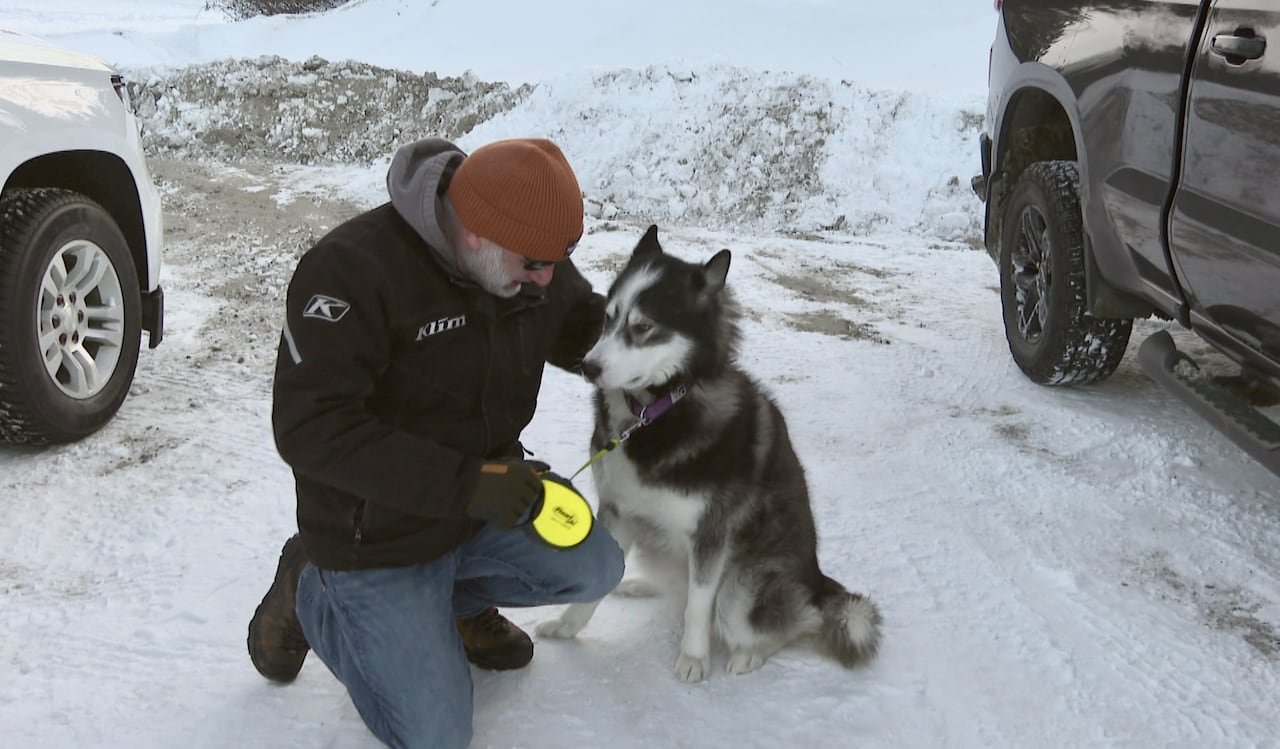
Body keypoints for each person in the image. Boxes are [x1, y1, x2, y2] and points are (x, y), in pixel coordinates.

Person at [245, 136, 625, 748]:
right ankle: (313, 589)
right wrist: (468, 485)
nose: (547, 280)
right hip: (376, 538)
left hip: (481, 507)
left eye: (556, 263)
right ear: (474, 233)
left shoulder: (525, 249)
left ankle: (448, 605)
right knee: (434, 737)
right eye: (534, 265)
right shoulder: (350, 272)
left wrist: (659, 353)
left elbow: (581, 326)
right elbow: (311, 428)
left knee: (596, 565)